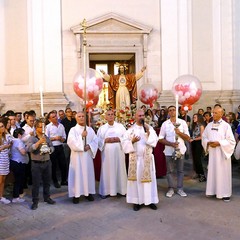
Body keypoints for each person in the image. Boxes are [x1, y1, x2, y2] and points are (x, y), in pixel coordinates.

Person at [122, 109, 159, 211]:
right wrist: (132, 141)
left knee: (149, 182)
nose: (141, 117)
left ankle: (150, 200)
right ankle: (137, 201)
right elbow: (124, 145)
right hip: (136, 160)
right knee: (137, 182)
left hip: (147, 160)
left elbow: (155, 141)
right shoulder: (130, 130)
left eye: (143, 115)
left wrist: (149, 133)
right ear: (135, 117)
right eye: (139, 115)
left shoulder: (149, 128)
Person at [202, 105, 236, 202]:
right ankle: (212, 191)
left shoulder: (226, 126)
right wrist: (208, 142)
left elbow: (231, 141)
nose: (213, 114)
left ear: (221, 114)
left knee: (223, 173)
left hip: (222, 153)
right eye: (213, 112)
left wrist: (219, 143)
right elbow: (204, 137)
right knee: (213, 171)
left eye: (216, 113)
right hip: (213, 153)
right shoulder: (209, 125)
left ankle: (225, 193)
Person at [158, 106, 190, 198]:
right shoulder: (165, 124)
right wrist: (170, 144)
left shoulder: (182, 122)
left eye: (173, 110)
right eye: (170, 110)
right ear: (168, 112)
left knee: (180, 170)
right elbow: (160, 138)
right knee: (170, 171)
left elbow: (188, 137)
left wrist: (179, 133)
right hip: (169, 150)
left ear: (176, 111)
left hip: (181, 149)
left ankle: (180, 188)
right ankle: (171, 188)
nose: (172, 112)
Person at [67, 112, 98, 204]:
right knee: (77, 175)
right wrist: (81, 136)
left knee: (87, 173)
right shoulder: (73, 130)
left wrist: (89, 146)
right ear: (76, 119)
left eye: (83, 116)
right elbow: (71, 142)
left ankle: (88, 193)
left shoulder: (90, 129)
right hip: (77, 157)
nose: (81, 118)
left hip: (87, 156)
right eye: (79, 116)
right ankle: (76, 195)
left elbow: (95, 140)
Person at [97, 109, 127, 198]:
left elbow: (126, 138)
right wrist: (105, 140)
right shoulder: (102, 128)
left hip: (119, 152)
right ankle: (106, 191)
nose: (110, 116)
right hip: (107, 154)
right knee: (107, 170)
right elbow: (98, 141)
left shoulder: (120, 127)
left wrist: (119, 139)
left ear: (114, 116)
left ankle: (122, 190)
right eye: (108, 114)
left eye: (112, 114)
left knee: (120, 169)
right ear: (105, 117)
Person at [26, 119, 55, 210]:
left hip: (47, 162)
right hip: (36, 163)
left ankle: (47, 197)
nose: (43, 129)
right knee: (36, 183)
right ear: (36, 127)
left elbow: (52, 146)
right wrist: (39, 142)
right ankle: (35, 201)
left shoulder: (46, 137)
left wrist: (50, 150)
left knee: (47, 182)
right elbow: (30, 149)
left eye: (44, 127)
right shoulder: (32, 138)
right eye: (40, 127)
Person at [46, 111, 68, 188]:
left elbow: (64, 136)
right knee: (54, 165)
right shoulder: (48, 127)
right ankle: (55, 181)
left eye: (56, 116)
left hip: (60, 146)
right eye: (53, 117)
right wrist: (55, 138)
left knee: (63, 164)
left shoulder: (61, 126)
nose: (56, 118)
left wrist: (61, 138)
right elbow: (46, 138)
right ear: (49, 119)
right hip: (53, 147)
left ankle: (63, 180)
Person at [10, 128, 28, 203]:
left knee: (17, 180)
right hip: (18, 162)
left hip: (14, 161)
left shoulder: (13, 140)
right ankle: (16, 197)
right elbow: (23, 152)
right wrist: (27, 147)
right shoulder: (19, 141)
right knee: (18, 180)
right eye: (24, 134)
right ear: (19, 135)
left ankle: (17, 195)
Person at [189, 114, 206, 182]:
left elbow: (202, 137)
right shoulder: (194, 125)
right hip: (194, 143)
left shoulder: (201, 126)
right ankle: (197, 173)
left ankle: (202, 175)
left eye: (195, 117)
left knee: (198, 160)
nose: (193, 118)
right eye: (193, 117)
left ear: (199, 118)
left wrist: (193, 139)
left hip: (199, 143)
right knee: (194, 159)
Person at [0, 119, 12, 204]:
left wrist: (7, 146)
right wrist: (4, 147)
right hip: (0, 160)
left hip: (5, 160)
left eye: (2, 126)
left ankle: (1, 196)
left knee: (3, 180)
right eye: (0, 127)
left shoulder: (6, 136)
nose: (2, 128)